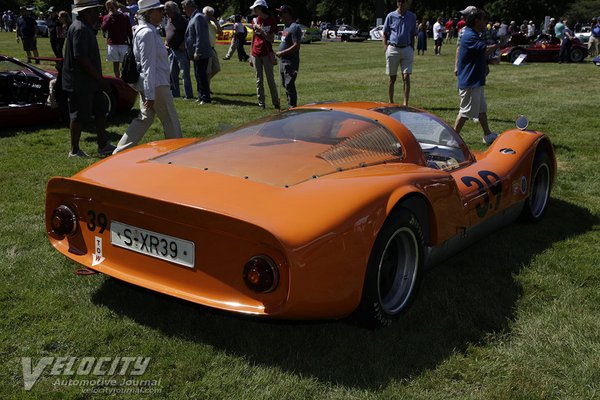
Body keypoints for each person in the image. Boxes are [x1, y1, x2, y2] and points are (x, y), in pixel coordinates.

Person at [113, 0, 182, 154]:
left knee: (145, 119)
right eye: (159, 10)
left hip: (151, 83)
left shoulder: (146, 31)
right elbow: (148, 66)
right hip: (156, 85)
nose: (162, 12)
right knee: (170, 120)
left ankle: (119, 151)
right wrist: (150, 95)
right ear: (150, 13)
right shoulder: (148, 33)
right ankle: (178, 152)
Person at [62, 0, 116, 157]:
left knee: (100, 111)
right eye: (94, 11)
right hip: (80, 82)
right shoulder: (80, 29)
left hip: (90, 81)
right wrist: (99, 79)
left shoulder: (84, 27)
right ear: (86, 12)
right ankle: (74, 150)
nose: (97, 14)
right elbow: (81, 58)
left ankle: (103, 145)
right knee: (78, 116)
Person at [453, 6, 499, 145]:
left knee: (481, 109)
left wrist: (490, 61)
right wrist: (499, 45)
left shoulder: (474, 34)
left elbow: (478, 55)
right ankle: (452, 138)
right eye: (483, 19)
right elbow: (484, 49)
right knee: (465, 112)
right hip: (470, 80)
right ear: (476, 20)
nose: (486, 22)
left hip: (475, 80)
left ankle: (487, 135)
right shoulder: (469, 35)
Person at [382, 0, 416, 106]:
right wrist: (385, 47)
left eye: (403, 1)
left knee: (406, 76)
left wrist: (412, 48)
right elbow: (384, 32)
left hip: (407, 49)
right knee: (392, 78)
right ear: (397, 3)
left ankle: (405, 103)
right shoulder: (391, 16)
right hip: (393, 49)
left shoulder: (412, 16)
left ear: (407, 3)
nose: (401, 3)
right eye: (399, 1)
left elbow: (412, 33)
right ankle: (391, 102)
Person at [250, 0, 279, 109]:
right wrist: (250, 55)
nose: (254, 10)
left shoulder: (271, 20)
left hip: (267, 53)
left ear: (260, 8)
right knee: (259, 80)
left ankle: (275, 102)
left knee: (270, 79)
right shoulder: (254, 20)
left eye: (255, 8)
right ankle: (261, 103)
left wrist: (261, 31)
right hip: (255, 53)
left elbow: (271, 39)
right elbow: (253, 38)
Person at [183, 0, 212, 104]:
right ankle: (200, 96)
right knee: (197, 75)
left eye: (184, 8)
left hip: (201, 53)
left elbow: (201, 36)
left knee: (201, 75)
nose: (183, 10)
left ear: (190, 6)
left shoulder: (198, 17)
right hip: (196, 53)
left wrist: (197, 51)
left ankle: (205, 98)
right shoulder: (194, 17)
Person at [164, 1, 193, 99]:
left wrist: (184, 43)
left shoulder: (181, 20)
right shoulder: (169, 19)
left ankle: (188, 95)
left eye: (166, 9)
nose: (165, 11)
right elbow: (168, 32)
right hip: (171, 50)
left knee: (184, 74)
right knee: (173, 73)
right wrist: (166, 42)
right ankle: (175, 94)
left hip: (181, 51)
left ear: (172, 10)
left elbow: (189, 34)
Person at [274, 5, 301, 109]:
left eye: (281, 13)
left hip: (290, 61)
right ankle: (289, 106)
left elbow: (296, 45)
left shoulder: (295, 27)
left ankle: (292, 107)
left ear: (288, 14)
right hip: (283, 60)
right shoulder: (286, 27)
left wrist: (282, 52)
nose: (279, 15)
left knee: (289, 84)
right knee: (285, 84)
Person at [101, 0, 132, 79]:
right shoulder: (107, 17)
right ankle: (118, 80)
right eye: (108, 7)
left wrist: (131, 42)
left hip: (123, 44)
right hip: (113, 44)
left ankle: (124, 78)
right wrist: (109, 17)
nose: (110, 8)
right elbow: (103, 28)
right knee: (116, 64)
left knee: (125, 63)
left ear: (116, 6)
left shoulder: (124, 16)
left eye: (111, 6)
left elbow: (129, 30)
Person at [203, 6, 222, 82]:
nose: (209, 16)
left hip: (212, 49)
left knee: (216, 68)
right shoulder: (201, 23)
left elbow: (220, 33)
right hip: (206, 49)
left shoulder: (213, 24)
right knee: (208, 71)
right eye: (208, 14)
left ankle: (205, 82)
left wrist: (216, 22)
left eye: (211, 14)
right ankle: (206, 87)